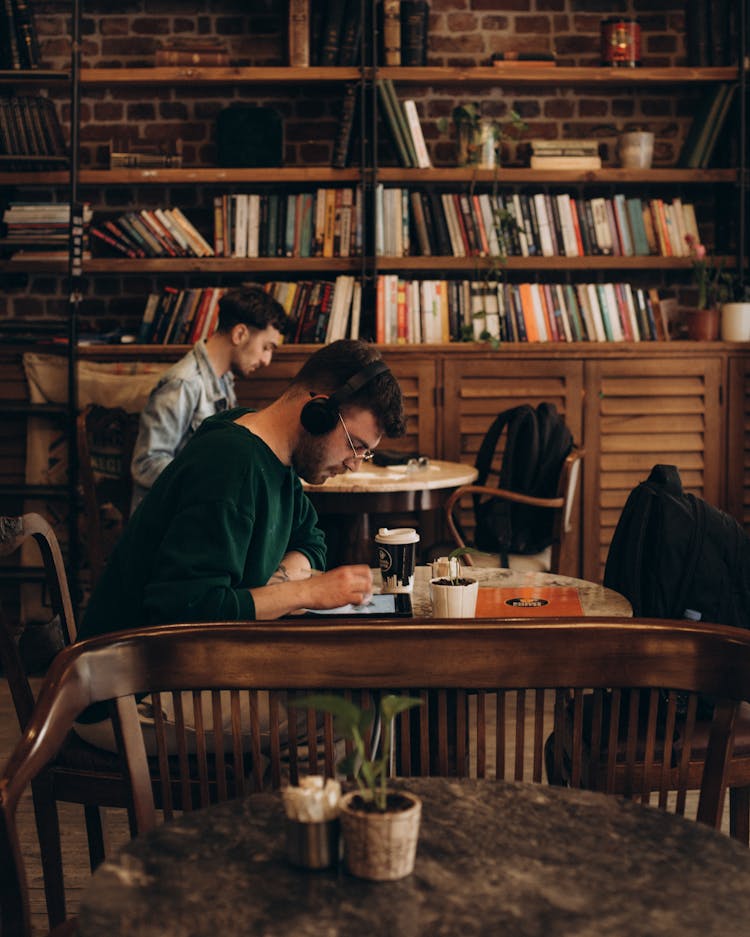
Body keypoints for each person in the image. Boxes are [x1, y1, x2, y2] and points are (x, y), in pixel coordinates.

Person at [74, 339, 406, 753]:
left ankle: (281, 811)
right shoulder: (229, 465)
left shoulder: (273, 454)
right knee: (358, 713)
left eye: (366, 454)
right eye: (355, 445)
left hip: (190, 667)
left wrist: (278, 584)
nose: (354, 464)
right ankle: (269, 816)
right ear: (317, 410)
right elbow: (187, 609)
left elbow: (310, 538)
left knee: (358, 692)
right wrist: (304, 592)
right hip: (129, 692)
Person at [130, 284, 288, 512]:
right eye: (266, 347)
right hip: (166, 523)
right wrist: (214, 478)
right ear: (240, 334)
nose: (267, 360)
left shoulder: (223, 380)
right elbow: (145, 465)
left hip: (199, 510)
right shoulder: (183, 384)